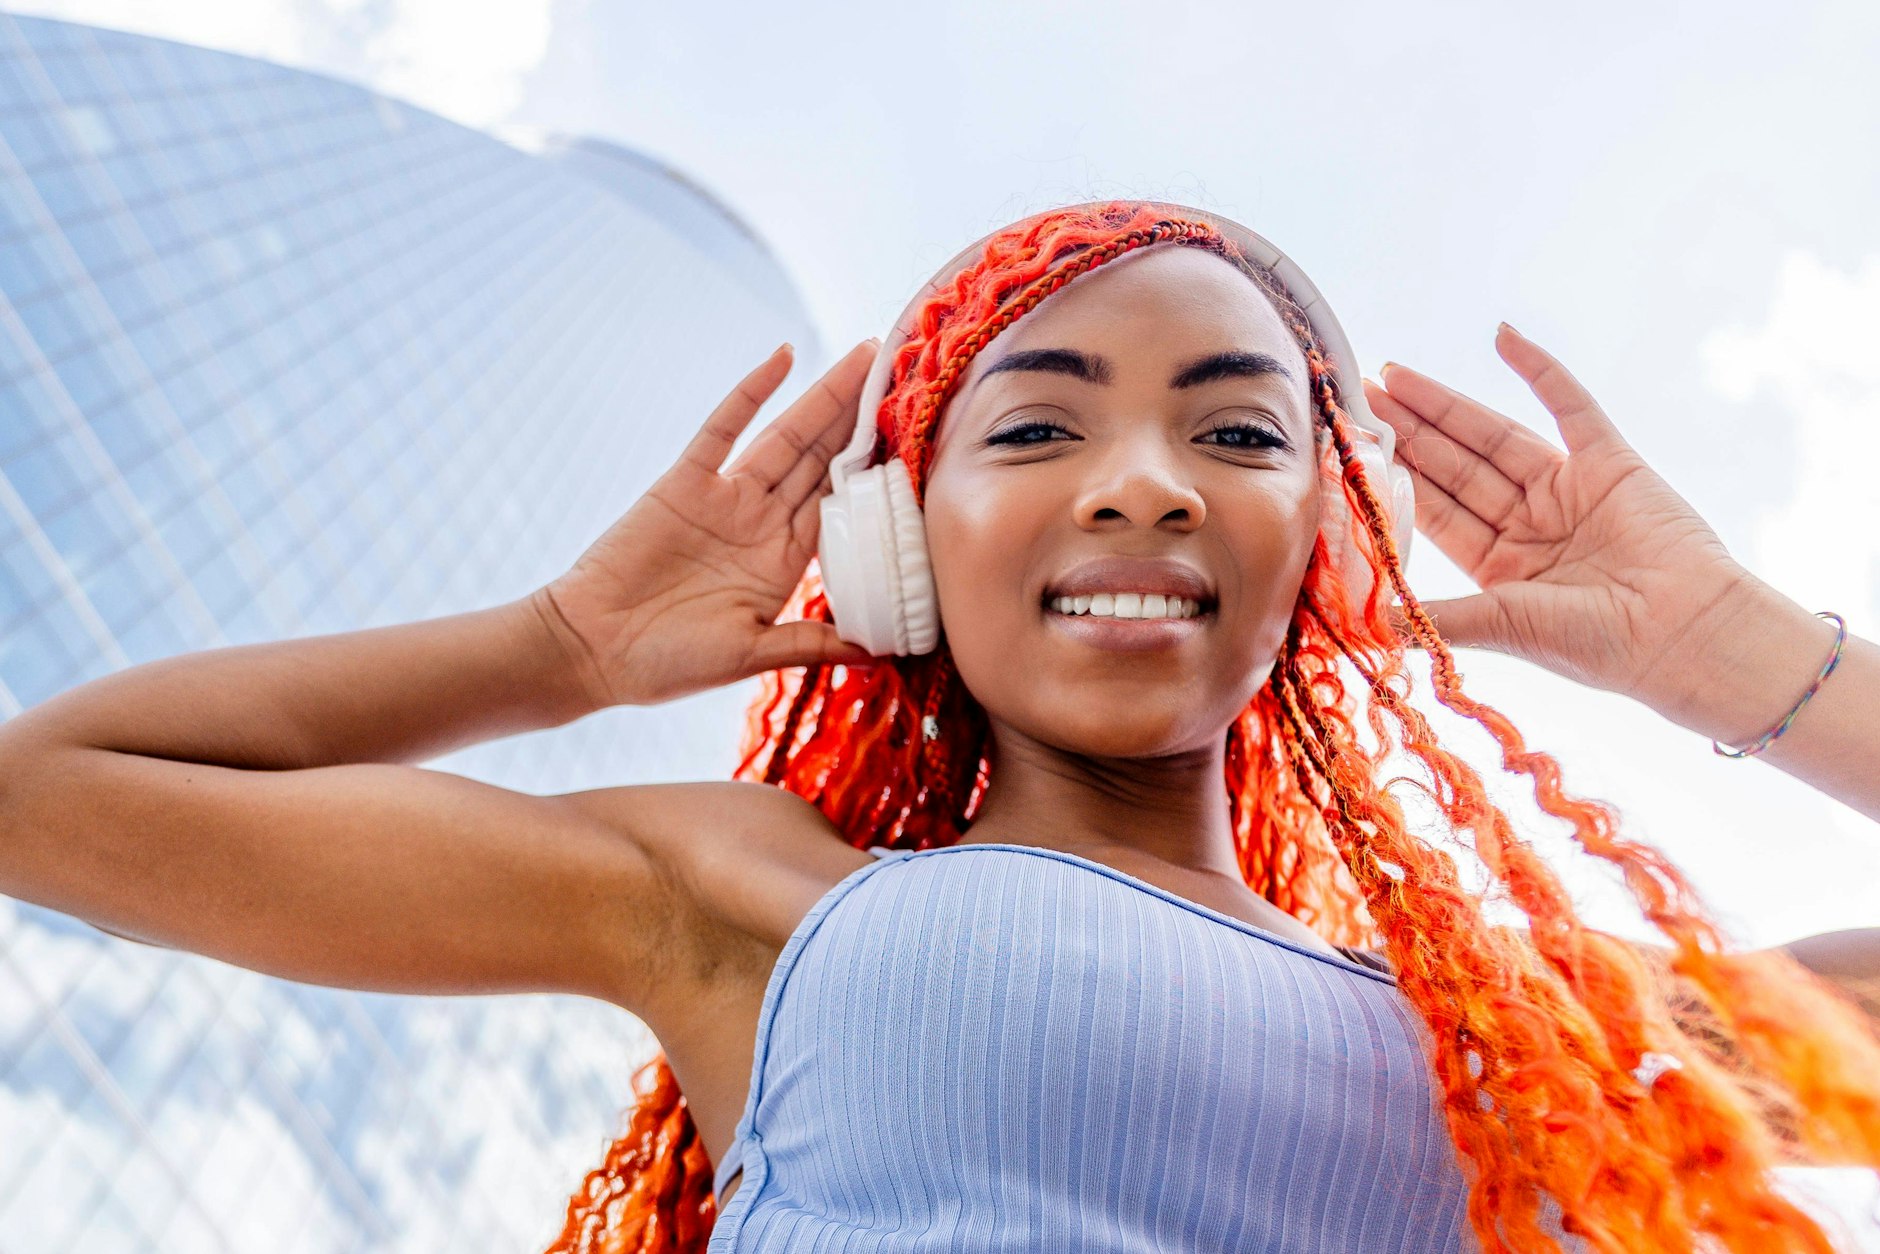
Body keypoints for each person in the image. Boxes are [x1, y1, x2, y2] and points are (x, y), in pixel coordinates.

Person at [1, 199, 1875, 1253]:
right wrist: (561, 646)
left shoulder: (1526, 1041)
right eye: (1040, 426)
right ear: (898, 544)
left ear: (1331, 545)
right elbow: (52, 799)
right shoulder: (746, 894)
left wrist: (1741, 656)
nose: (1142, 486)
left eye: (1234, 434)